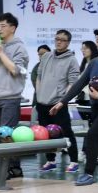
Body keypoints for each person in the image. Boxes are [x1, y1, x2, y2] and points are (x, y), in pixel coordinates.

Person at [50, 28, 98, 186]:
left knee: (92, 135)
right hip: (96, 108)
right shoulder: (94, 62)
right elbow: (79, 84)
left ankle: (89, 173)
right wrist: (62, 102)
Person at [0, 12, 29, 181]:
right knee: (3, 135)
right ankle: (15, 168)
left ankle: (5, 171)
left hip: (11, 98)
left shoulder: (19, 48)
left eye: (3, 26)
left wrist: (1, 52)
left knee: (6, 136)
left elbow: (15, 70)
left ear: (13, 28)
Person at [35, 29, 80, 173]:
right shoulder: (46, 56)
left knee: (66, 132)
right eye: (57, 39)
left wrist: (63, 100)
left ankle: (74, 161)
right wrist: (39, 95)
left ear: (68, 43)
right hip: (42, 103)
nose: (59, 42)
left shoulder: (71, 60)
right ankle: (51, 160)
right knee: (46, 134)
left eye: (62, 40)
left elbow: (72, 83)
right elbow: (39, 77)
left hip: (58, 104)